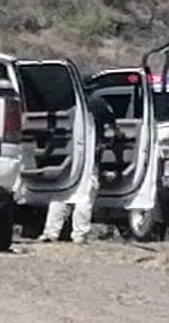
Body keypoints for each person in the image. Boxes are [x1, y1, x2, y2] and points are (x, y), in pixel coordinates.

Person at [38, 89, 123, 244]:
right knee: (85, 196)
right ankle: (79, 234)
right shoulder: (98, 104)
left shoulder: (65, 105)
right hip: (90, 156)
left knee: (61, 194)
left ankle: (51, 232)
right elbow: (113, 128)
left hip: (69, 157)